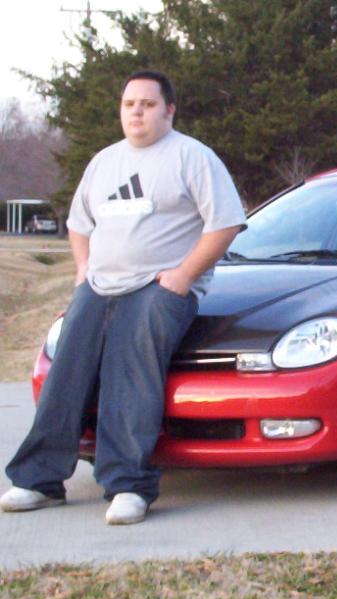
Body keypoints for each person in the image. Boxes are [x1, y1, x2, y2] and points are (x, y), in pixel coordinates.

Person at [0, 70, 246, 525]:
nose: (137, 112)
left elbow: (226, 222)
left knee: (128, 372)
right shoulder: (104, 162)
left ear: (168, 110)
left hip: (158, 288)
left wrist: (183, 275)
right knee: (65, 371)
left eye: (148, 104)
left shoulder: (192, 156)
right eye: (129, 104)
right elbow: (79, 224)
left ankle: (128, 486)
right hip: (99, 286)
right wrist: (82, 270)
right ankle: (39, 480)